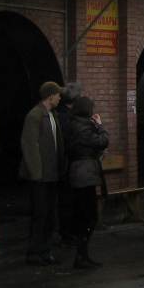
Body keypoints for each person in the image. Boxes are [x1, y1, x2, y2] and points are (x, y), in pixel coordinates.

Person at [20, 81, 64, 265]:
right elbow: (30, 145)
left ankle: (45, 250)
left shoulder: (52, 115)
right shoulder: (35, 115)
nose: (60, 98)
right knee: (39, 214)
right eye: (58, 94)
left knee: (48, 215)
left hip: (52, 173)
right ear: (50, 95)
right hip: (40, 176)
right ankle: (34, 251)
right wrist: (36, 173)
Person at [65, 97, 108, 270]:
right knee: (88, 216)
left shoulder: (73, 124)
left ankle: (82, 254)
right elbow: (102, 141)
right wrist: (100, 125)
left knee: (84, 216)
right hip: (84, 173)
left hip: (79, 172)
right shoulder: (83, 127)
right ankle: (81, 256)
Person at [55, 82, 83, 245]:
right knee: (68, 200)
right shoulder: (67, 118)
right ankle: (68, 233)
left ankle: (67, 231)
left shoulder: (59, 114)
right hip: (68, 165)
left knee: (66, 200)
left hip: (65, 164)